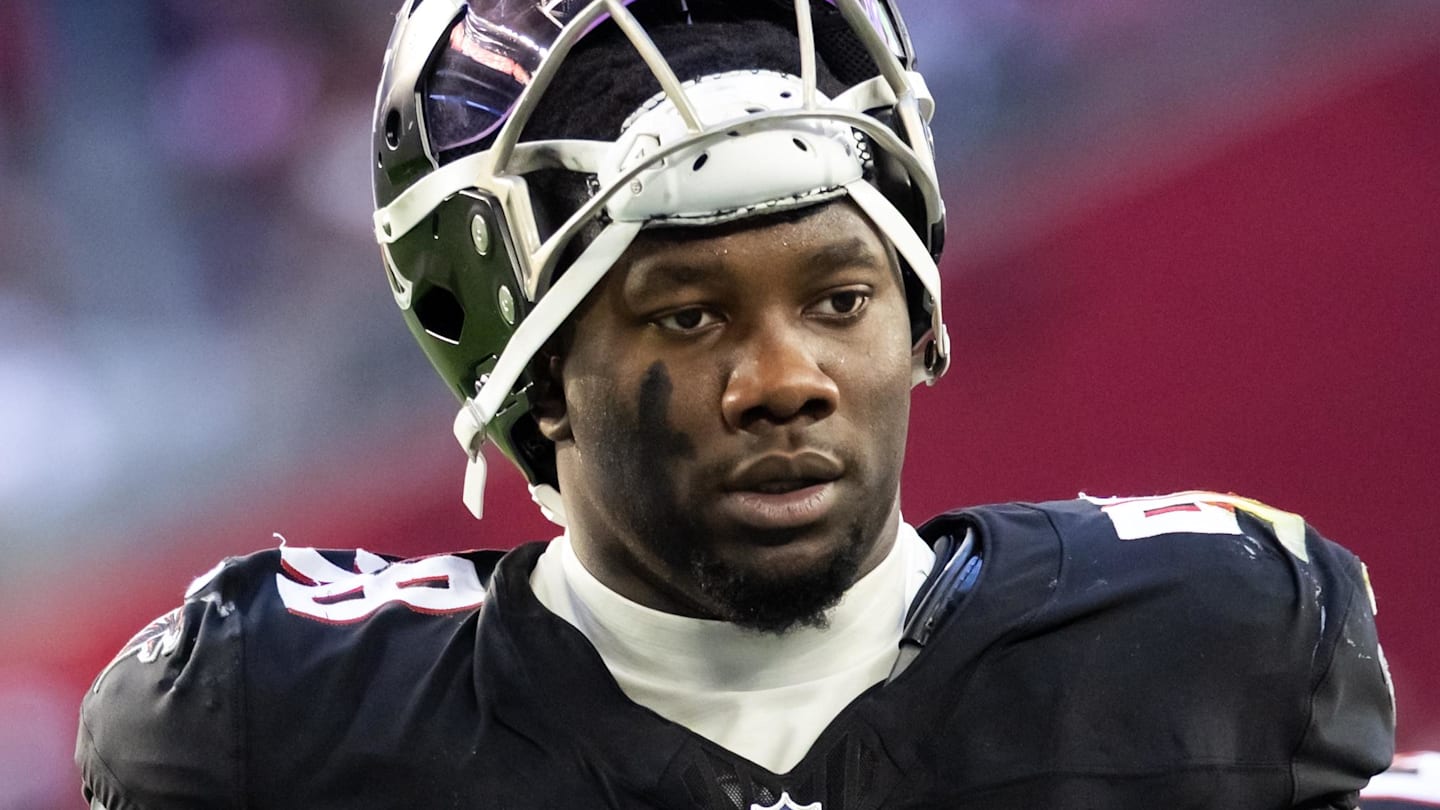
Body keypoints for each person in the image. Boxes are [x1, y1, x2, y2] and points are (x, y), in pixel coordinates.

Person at [75, 1, 1395, 808]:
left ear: (921, 304)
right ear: (526, 368)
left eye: (837, 298)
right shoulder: (276, 727)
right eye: (689, 316)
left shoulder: (1211, 649)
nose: (785, 382)